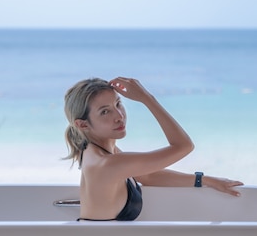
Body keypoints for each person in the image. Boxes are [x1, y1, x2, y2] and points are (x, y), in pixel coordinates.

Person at [64, 77, 243, 221]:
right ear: (82, 124)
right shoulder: (106, 164)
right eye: (105, 111)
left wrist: (205, 180)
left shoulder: (96, 152)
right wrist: (147, 98)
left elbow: (147, 175)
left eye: (118, 104)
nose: (119, 116)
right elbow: (183, 146)